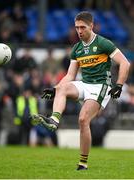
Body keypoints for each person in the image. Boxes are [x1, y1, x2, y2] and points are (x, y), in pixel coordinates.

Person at [30, 11, 130, 170]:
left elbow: (125, 63)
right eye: (77, 28)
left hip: (101, 86)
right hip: (85, 83)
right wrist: (56, 89)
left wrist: (119, 85)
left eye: (82, 27)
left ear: (91, 26)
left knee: (83, 119)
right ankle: (54, 120)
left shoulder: (104, 43)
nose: (79, 31)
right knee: (62, 87)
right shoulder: (77, 48)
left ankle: (83, 163)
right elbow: (70, 75)